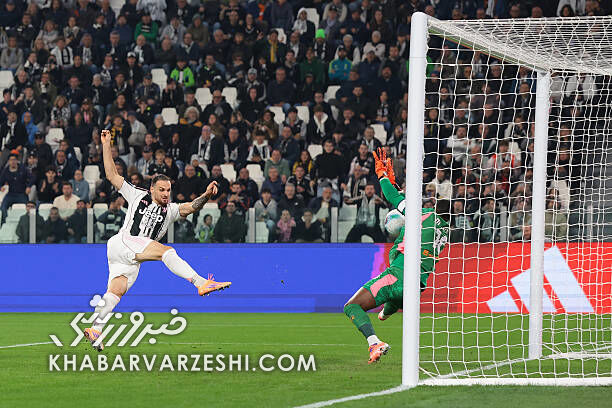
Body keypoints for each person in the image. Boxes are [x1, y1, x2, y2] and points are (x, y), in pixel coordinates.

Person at [83, 130, 231, 352]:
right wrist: (106, 144)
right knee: (166, 251)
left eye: (168, 190)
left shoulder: (170, 209)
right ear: (151, 189)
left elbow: (191, 207)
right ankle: (201, 282)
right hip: (125, 242)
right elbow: (112, 175)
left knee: (116, 291)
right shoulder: (136, 194)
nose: (165, 194)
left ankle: (95, 328)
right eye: (161, 190)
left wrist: (207, 195)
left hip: (130, 257)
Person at [343, 149, 450, 363]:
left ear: (434, 208)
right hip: (417, 286)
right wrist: (397, 187)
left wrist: (382, 176)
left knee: (351, 306)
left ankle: (374, 343)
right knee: (393, 298)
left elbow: (393, 197)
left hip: (399, 275)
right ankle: (385, 312)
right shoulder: (445, 232)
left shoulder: (424, 216)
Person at [0, 154, 32, 223]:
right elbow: (1, 181)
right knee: (2, 207)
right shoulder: (6, 171)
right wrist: (0, 187)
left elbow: (32, 177)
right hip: (11, 194)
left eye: (14, 160)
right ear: (8, 161)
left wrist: (29, 186)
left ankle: (27, 223)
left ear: (17, 161)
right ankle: (4, 223)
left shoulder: (23, 169)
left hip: (22, 194)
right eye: (11, 160)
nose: (13, 162)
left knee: (29, 208)